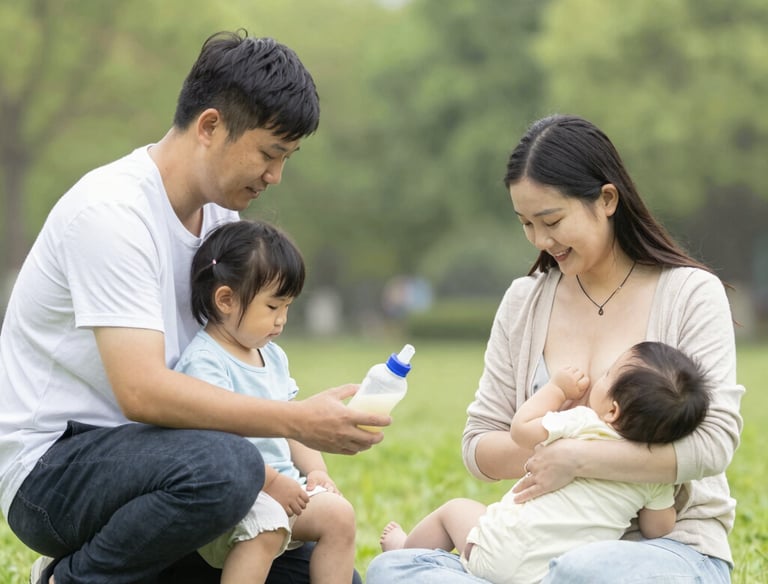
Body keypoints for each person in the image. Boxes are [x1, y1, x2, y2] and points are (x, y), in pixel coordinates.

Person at [0, 30, 385, 584]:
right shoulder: (112, 213)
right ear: (210, 127)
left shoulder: (224, 227)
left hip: (171, 473)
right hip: (55, 473)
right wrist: (297, 419)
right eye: (270, 154)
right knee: (229, 467)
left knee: (319, 574)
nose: (275, 176)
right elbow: (142, 391)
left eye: (287, 158)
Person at [366, 114, 744, 584]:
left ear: (607, 200)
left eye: (552, 220)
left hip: (662, 554)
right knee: (394, 569)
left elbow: (713, 444)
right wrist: (549, 446)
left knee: (585, 571)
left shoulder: (690, 293)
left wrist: (580, 459)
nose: (541, 240)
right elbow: (478, 442)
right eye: (526, 223)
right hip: (539, 549)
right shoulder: (524, 301)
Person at [379, 341, 710, 584]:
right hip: (552, 574)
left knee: (454, 510)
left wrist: (555, 389)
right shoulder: (653, 474)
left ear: (612, 411)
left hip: (498, 550)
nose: (600, 375)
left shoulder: (582, 423)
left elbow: (522, 430)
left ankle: (405, 548)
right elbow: (659, 528)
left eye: (607, 374)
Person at [175, 219, 356, 584]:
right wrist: (270, 482)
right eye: (273, 306)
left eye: (288, 307)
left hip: (284, 489)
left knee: (340, 515)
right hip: (235, 495)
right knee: (267, 528)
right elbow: (219, 444)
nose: (282, 320)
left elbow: (293, 425)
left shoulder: (271, 356)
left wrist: (316, 471)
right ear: (225, 299)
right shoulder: (205, 362)